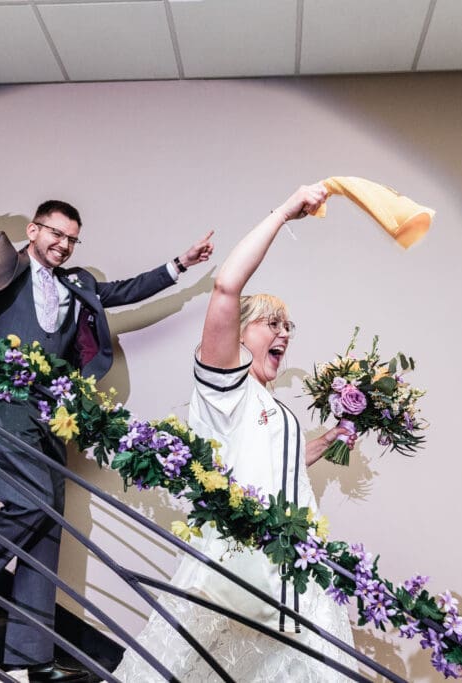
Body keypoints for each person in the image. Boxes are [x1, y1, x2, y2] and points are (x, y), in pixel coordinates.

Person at [0, 90, 214, 682]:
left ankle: (30, 660)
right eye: (54, 234)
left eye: (71, 239)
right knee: (28, 503)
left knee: (46, 522)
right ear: (34, 230)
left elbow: (126, 292)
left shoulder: (81, 284)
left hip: (49, 418)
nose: (62, 244)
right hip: (0, 403)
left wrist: (180, 266)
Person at [114, 185, 357, 681]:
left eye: (288, 325)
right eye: (272, 323)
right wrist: (286, 212)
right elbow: (227, 285)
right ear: (240, 333)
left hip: (294, 559)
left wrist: (327, 439)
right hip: (241, 557)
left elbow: (277, 465)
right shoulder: (225, 390)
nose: (284, 333)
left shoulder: (270, 405)